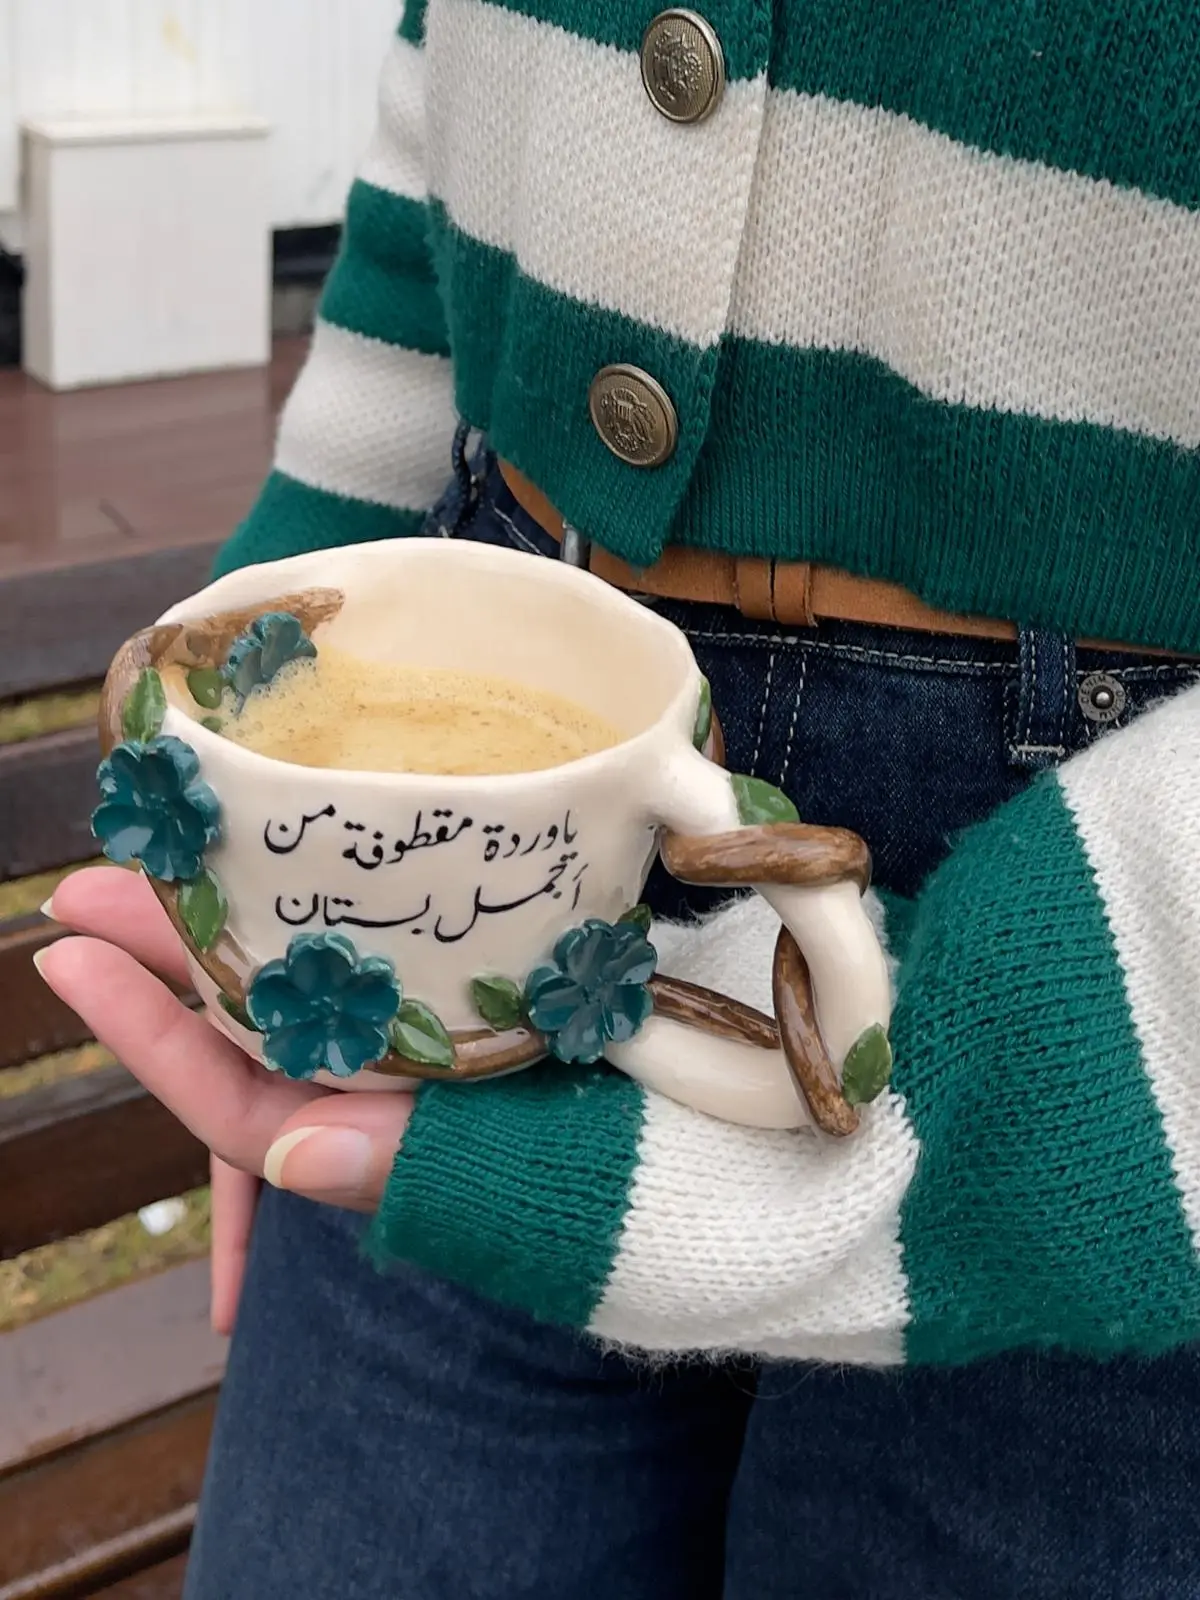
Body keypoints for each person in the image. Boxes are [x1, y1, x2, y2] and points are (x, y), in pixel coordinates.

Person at [36, 2, 1200, 1595]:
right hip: (438, 839)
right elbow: (452, 66)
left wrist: (1069, 1065)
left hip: (1129, 970)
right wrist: (256, 841)